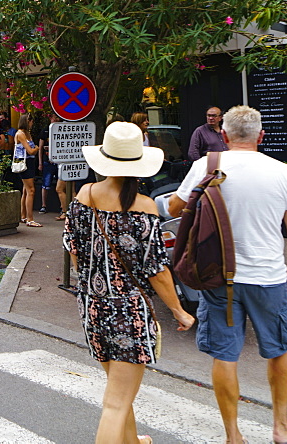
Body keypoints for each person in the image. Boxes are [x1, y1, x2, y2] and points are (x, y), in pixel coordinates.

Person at [168, 106, 287, 444]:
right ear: (261, 136)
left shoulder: (206, 165)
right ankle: (282, 428)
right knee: (279, 349)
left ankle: (233, 436)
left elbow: (175, 208)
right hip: (269, 277)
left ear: (224, 136)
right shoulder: (282, 172)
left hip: (219, 277)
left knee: (225, 355)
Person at [65, 121, 195, 441]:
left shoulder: (85, 195)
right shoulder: (144, 207)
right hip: (128, 312)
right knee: (115, 403)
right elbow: (157, 271)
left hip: (92, 307)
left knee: (120, 393)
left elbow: (74, 251)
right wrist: (179, 310)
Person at [14, 114, 42, 226]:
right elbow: (30, 150)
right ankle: (30, 219)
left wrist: (34, 149)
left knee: (26, 190)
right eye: (31, 121)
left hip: (29, 162)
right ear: (27, 121)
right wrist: (36, 149)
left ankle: (23, 216)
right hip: (24, 162)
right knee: (31, 190)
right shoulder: (20, 134)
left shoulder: (27, 133)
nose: (32, 123)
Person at [39, 113, 60, 215]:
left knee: (61, 185)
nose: (55, 120)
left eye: (57, 118)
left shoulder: (62, 129)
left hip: (59, 162)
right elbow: (40, 147)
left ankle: (62, 206)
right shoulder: (45, 130)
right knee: (45, 184)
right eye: (53, 117)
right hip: (47, 161)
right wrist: (40, 162)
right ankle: (43, 205)